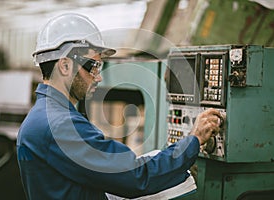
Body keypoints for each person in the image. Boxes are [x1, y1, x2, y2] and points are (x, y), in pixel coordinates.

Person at [16, 13, 222, 200]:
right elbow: (136, 178)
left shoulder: (43, 116)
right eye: (93, 66)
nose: (98, 77)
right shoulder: (60, 125)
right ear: (65, 65)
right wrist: (192, 141)